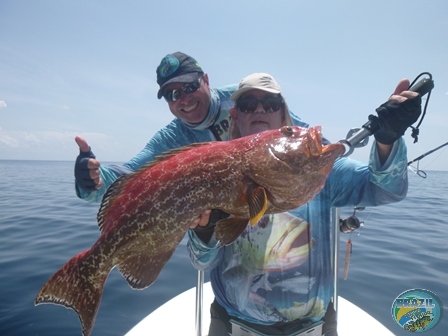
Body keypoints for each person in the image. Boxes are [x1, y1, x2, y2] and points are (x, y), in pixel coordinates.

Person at [187, 73, 421, 336]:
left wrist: (387, 138)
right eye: (248, 105)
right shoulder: (216, 172)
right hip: (233, 326)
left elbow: (386, 190)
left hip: (314, 328)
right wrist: (204, 231)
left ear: (283, 113)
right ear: (236, 117)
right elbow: (201, 262)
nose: (260, 109)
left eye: (271, 103)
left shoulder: (319, 164)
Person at [74, 52, 307, 204]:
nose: (183, 99)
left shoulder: (245, 99)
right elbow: (129, 174)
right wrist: (93, 180)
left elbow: (296, 131)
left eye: (189, 86)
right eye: (172, 94)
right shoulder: (171, 138)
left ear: (206, 80)